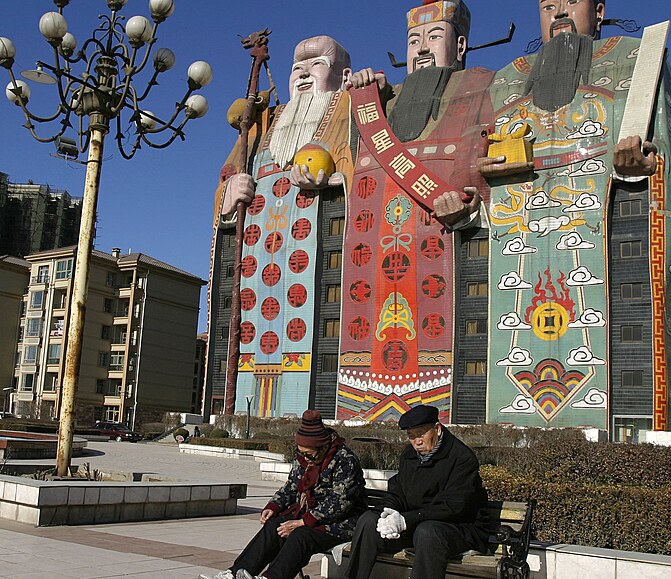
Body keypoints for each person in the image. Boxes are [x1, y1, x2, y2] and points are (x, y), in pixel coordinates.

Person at [482, 0, 671, 429]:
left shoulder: (638, 55)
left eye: (570, 1)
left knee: (612, 330)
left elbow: (665, 146)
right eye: (548, 5)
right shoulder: (507, 78)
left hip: (603, 215)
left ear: (597, 10)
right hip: (523, 224)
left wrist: (648, 162)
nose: (558, 12)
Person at [337, 0, 495, 422]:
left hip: (438, 237)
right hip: (374, 236)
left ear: (460, 45)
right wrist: (367, 94)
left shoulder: (480, 83)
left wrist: (466, 195)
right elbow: (342, 157)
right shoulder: (382, 97)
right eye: (413, 40)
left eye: (435, 37)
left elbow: (482, 147)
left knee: (440, 332)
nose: (422, 48)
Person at [209, 35, 353, 417]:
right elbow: (226, 178)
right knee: (247, 347)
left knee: (309, 344)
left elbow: (371, 169)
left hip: (314, 265)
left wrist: (336, 181)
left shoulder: (351, 109)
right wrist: (228, 195)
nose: (304, 74)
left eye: (317, 64)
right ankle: (241, 414)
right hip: (256, 269)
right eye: (296, 68)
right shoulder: (263, 126)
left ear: (343, 75)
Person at [201, 410, 367, 579]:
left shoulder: (345, 459)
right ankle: (236, 574)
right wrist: (274, 505)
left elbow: (340, 502)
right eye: (301, 453)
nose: (305, 458)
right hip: (310, 516)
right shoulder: (304, 458)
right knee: (274, 526)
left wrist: (303, 522)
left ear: (323, 447)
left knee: (301, 536)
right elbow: (291, 486)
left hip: (342, 523)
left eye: (309, 454)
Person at [346, 404, 487, 579]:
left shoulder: (462, 458)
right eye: (411, 436)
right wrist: (387, 514)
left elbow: (453, 506)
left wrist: (407, 520)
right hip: (415, 523)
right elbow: (399, 492)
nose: (416, 441)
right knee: (369, 520)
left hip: (458, 528)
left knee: (428, 532)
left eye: (421, 434)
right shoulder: (409, 455)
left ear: (437, 429)